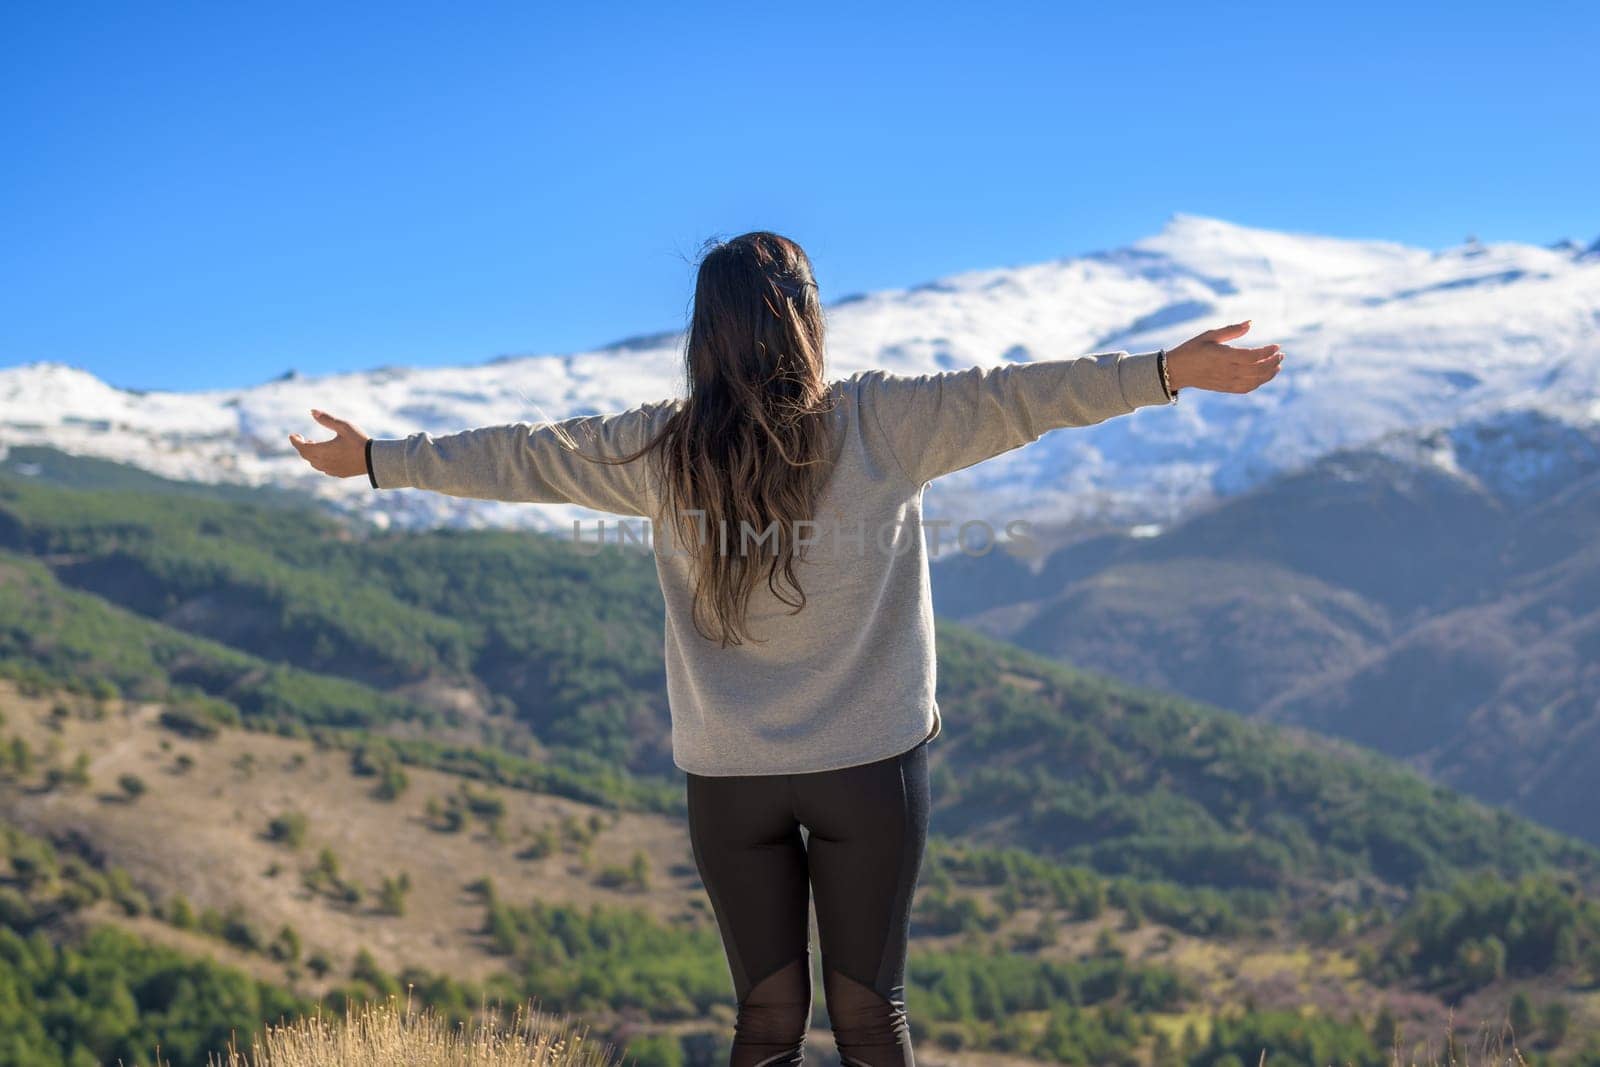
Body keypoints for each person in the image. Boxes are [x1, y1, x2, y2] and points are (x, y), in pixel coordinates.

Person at [290, 231, 1282, 1066]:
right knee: (868, 1011)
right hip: (867, 770)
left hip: (729, 778)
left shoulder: (655, 446)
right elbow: (1022, 394)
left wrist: (375, 458)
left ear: (703, 330)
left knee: (765, 1016)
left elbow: (518, 454)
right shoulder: (884, 420)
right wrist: (1163, 372)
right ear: (804, 317)